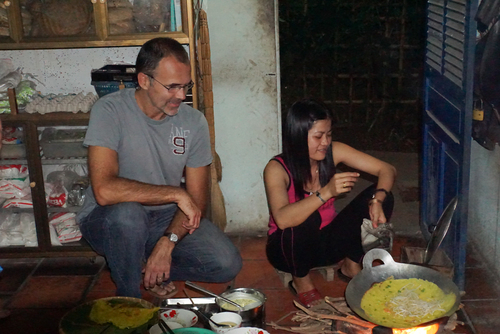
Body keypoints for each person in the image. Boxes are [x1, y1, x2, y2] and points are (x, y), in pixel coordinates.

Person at [76, 37, 242, 298]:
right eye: (172, 86)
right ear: (144, 81)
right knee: (128, 215)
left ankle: (143, 265)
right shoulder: (109, 110)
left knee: (226, 263)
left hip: (163, 218)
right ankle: (129, 299)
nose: (181, 95)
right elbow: (105, 191)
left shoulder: (193, 122)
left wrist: (168, 242)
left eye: (186, 86)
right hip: (109, 217)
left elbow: (197, 200)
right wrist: (176, 193)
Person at [264, 99, 396, 307]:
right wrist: (325, 192)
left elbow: (387, 169)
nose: (325, 142)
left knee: (382, 196)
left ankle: (351, 264)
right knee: (304, 217)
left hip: (328, 246)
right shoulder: (276, 168)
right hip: (287, 250)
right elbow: (282, 219)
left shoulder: (334, 152)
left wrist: (377, 199)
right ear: (297, 136)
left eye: (329, 134)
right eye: (318, 136)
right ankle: (301, 282)